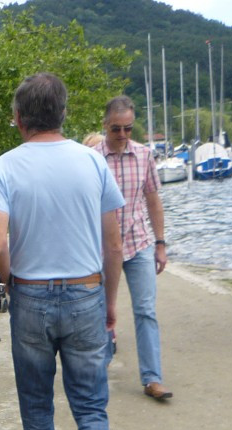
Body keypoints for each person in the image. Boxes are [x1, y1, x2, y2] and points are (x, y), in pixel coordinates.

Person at [0, 72, 127, 430]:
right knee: (91, 409)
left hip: (32, 296)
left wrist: (10, 279)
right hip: (86, 291)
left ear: (19, 119)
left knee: (37, 405)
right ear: (63, 114)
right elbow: (113, 244)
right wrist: (109, 304)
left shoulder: (4, 168)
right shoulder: (93, 163)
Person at [93, 95, 172, 401]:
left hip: (138, 242)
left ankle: (152, 378)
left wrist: (161, 243)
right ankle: (99, 372)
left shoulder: (144, 155)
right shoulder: (92, 158)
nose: (123, 135)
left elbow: (153, 200)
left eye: (128, 129)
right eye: (116, 129)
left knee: (146, 310)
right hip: (101, 248)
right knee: (99, 311)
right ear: (105, 125)